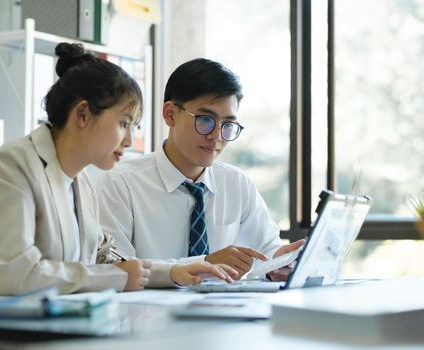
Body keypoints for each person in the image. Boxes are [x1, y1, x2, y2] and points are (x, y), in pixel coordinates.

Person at [0, 44, 237, 296]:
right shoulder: (13, 165)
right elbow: (15, 276)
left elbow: (110, 259)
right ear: (82, 114)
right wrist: (114, 278)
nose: (128, 141)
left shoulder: (80, 181)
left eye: (133, 127)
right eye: (123, 123)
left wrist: (174, 273)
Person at [97, 58, 304, 280]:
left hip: (226, 312)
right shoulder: (120, 183)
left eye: (228, 125)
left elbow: (267, 251)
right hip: (146, 313)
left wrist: (279, 264)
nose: (216, 136)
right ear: (170, 114)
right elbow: (116, 269)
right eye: (205, 120)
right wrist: (203, 264)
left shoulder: (236, 183)